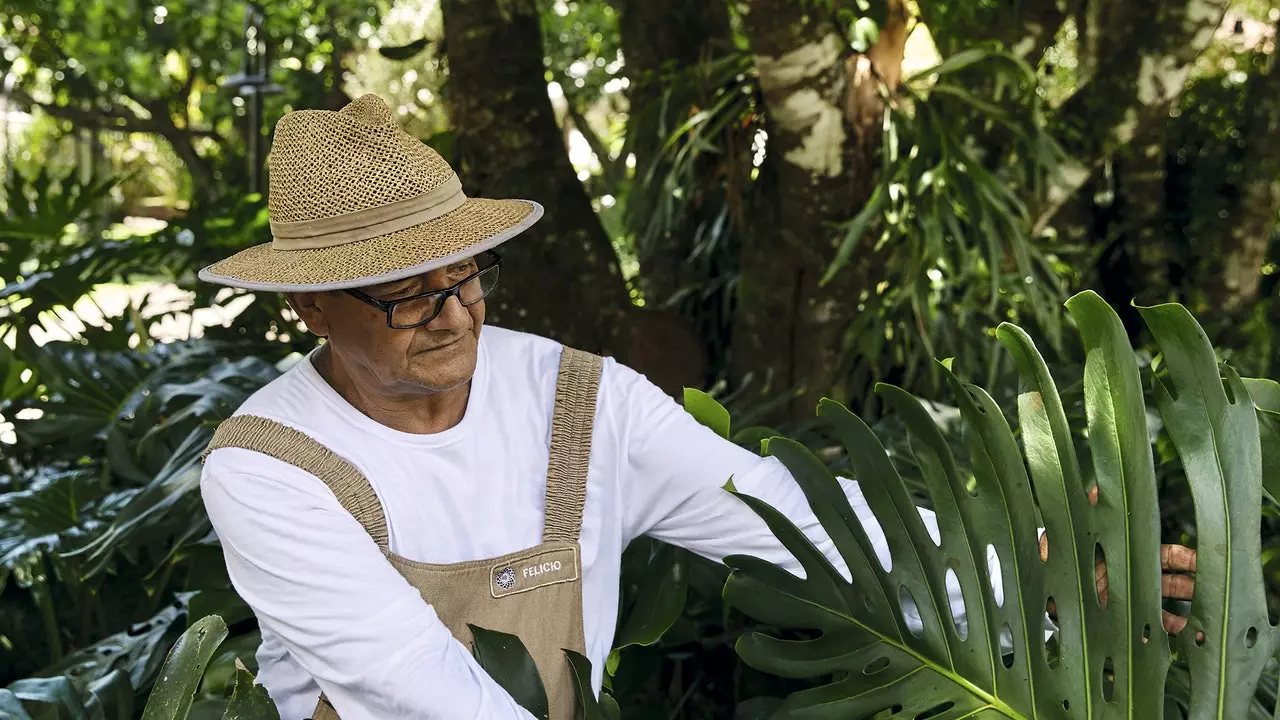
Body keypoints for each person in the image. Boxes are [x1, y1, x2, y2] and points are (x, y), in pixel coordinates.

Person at [198, 94, 1197, 720]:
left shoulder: (576, 400)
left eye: (466, 276)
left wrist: (1027, 577)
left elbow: (785, 517)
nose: (455, 315)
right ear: (307, 308)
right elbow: (409, 683)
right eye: (407, 292)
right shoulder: (270, 464)